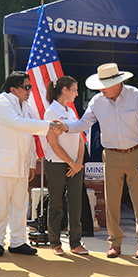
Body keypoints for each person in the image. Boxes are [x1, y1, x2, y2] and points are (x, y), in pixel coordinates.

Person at [64, 63, 138, 259]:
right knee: (111, 202)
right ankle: (115, 243)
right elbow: (83, 123)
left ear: (117, 83)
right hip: (111, 155)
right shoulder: (97, 101)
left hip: (137, 153)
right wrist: (65, 127)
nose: (100, 89)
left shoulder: (137, 96)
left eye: (104, 85)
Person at [0, 71, 66, 257]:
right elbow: (18, 123)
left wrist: (31, 163)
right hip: (1, 165)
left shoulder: (26, 106)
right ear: (13, 89)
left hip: (20, 165)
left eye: (30, 87)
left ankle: (18, 242)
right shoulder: (0, 103)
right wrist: (48, 126)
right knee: (0, 206)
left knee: (20, 206)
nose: (29, 90)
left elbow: (28, 138)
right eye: (26, 87)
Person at [43, 76, 88, 256]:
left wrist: (78, 163)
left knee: (75, 203)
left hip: (74, 165)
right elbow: (53, 144)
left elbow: (80, 139)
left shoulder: (71, 112)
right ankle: (55, 243)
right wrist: (71, 163)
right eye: (75, 90)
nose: (77, 94)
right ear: (65, 90)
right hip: (57, 164)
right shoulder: (51, 111)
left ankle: (75, 243)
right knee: (56, 203)